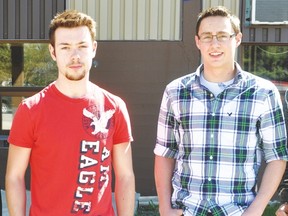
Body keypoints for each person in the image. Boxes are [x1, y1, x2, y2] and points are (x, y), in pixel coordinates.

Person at [154, 6, 288, 216]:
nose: (214, 44)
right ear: (198, 41)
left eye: (223, 36)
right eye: (207, 37)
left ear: (237, 39)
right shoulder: (175, 91)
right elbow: (165, 153)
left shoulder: (263, 93)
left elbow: (277, 157)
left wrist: (256, 209)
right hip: (187, 210)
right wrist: (164, 208)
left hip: (238, 211)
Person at [5, 10, 135, 216]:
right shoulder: (30, 110)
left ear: (93, 49)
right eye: (65, 47)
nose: (75, 56)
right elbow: (14, 177)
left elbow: (125, 176)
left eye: (82, 46)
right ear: (52, 52)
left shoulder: (115, 107)